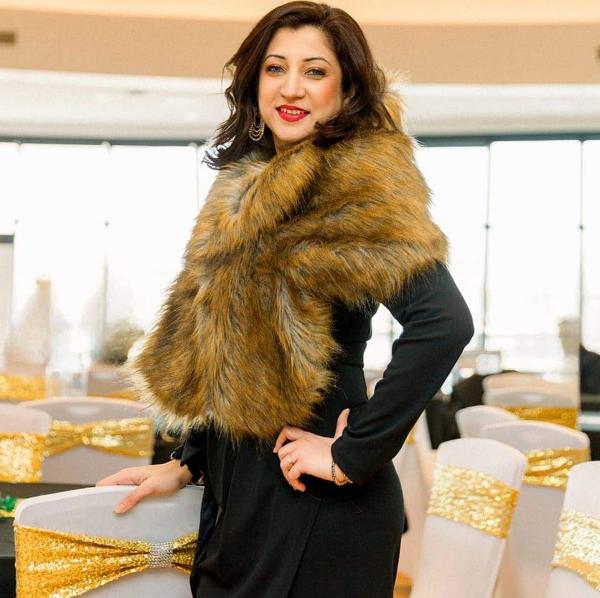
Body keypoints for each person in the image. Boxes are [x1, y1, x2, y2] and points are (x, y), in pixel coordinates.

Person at [97, 2, 474, 596]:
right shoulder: (246, 190)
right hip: (241, 498)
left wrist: (353, 452)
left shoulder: (359, 184)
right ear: (255, 82)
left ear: (347, 89)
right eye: (275, 68)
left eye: (315, 71)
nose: (291, 87)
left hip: (319, 504)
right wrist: (187, 463)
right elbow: (235, 354)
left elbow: (443, 323)